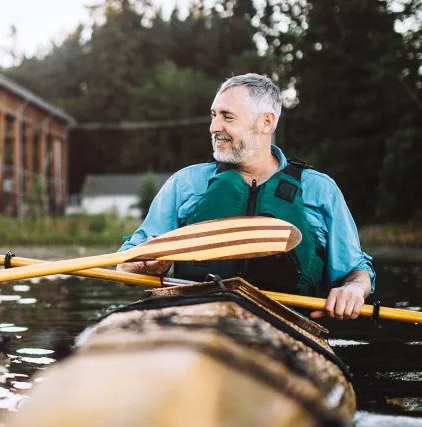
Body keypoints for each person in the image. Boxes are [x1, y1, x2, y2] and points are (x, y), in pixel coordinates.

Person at [118, 74, 375, 320]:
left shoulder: (320, 191)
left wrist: (353, 289)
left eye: (227, 117)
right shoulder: (185, 184)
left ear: (266, 122)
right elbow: (124, 264)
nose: (214, 127)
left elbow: (355, 271)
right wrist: (144, 264)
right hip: (193, 322)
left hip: (285, 327)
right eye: (213, 115)